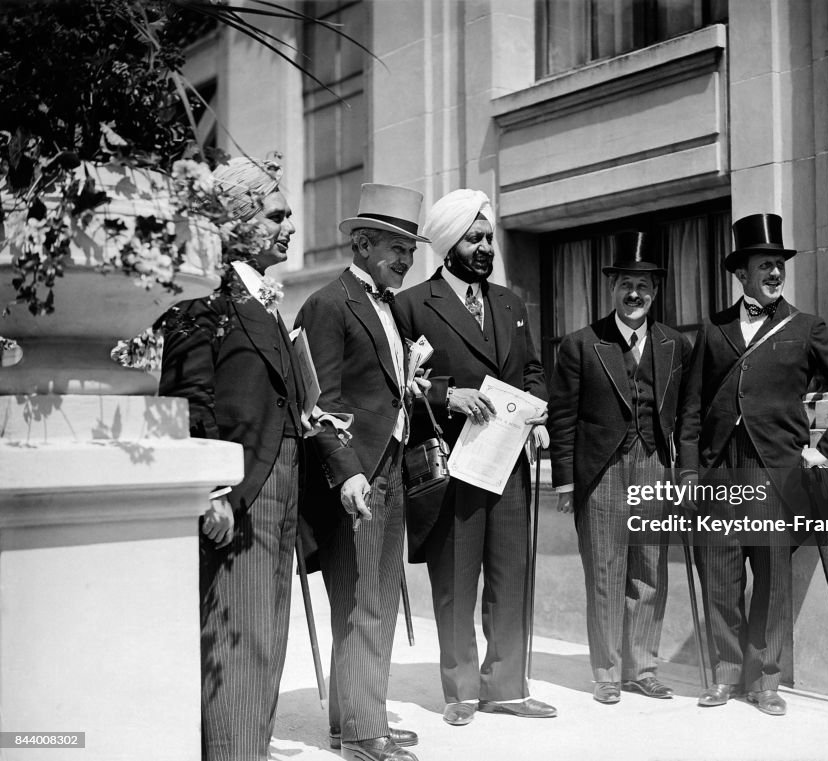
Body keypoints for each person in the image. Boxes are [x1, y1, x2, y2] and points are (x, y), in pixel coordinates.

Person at [679, 212, 828, 717]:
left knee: (770, 580)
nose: (772, 274)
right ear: (740, 273)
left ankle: (765, 680)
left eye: (777, 266)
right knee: (719, 575)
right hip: (720, 471)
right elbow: (692, 410)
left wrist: (826, 451)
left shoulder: (806, 328)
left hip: (775, 472)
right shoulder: (713, 328)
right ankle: (724, 676)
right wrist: (687, 472)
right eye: (762, 266)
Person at [391, 189, 556, 726]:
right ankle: (460, 689)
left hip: (509, 461)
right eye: (474, 238)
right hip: (452, 463)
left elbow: (530, 370)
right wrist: (445, 394)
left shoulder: (510, 303)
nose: (486, 247)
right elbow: (396, 380)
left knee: (511, 574)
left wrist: (537, 413)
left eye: (489, 238)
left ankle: (505, 686)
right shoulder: (413, 304)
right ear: (448, 244)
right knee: (456, 578)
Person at [158, 155, 303, 760]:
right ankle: (233, 752)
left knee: (268, 630)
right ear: (238, 222)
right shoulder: (204, 300)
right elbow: (190, 397)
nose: (290, 225)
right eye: (277, 213)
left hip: (283, 480)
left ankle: (253, 745)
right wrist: (212, 490)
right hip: (242, 487)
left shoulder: (267, 300)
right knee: (238, 633)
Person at [294, 184, 429, 761]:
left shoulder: (390, 306)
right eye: (397, 247)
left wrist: (409, 382)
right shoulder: (328, 304)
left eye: (411, 249)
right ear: (363, 242)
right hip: (356, 476)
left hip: (391, 466)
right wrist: (347, 474)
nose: (406, 259)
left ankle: (355, 721)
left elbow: (376, 386)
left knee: (383, 601)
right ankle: (364, 735)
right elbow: (316, 403)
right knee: (359, 603)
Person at [548, 256, 691, 705]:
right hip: (601, 471)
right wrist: (566, 483)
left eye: (644, 286)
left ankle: (642, 668)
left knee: (649, 570)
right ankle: (607, 672)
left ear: (655, 292)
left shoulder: (675, 344)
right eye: (627, 284)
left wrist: (684, 471)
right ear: (612, 289)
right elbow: (563, 418)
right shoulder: (581, 344)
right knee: (607, 571)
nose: (635, 294)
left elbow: (688, 414)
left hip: (654, 465)